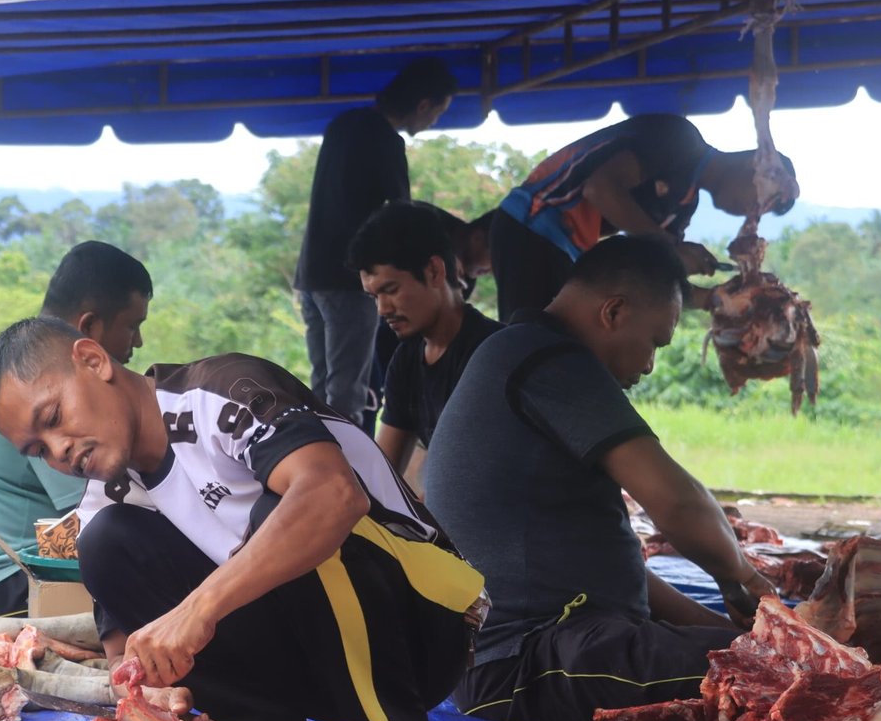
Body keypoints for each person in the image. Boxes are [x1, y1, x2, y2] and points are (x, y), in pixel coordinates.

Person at [0, 319, 486, 721]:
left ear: (93, 361)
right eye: (38, 449)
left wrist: (196, 612)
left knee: (294, 512)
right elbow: (123, 651)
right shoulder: (108, 495)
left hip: (425, 632)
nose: (58, 449)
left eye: (54, 418)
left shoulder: (222, 394)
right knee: (104, 542)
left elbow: (334, 496)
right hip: (324, 664)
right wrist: (152, 691)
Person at [424, 235, 776, 721]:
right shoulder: (550, 362)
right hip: (524, 664)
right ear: (613, 312)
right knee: (796, 673)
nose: (650, 365)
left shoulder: (520, 351)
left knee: (766, 656)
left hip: (537, 651)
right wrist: (740, 577)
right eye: (655, 342)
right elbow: (677, 502)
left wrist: (735, 630)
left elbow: (623, 580)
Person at [0, 241, 152, 616]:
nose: (137, 343)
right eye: (132, 326)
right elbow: (102, 515)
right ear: (89, 332)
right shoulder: (36, 392)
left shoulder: (17, 374)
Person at [490, 113, 799, 320]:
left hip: (565, 251)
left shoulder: (683, 206)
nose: (751, 213)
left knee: (554, 357)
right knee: (527, 352)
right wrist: (669, 246)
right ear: (752, 166)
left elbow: (657, 274)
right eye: (758, 201)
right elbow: (600, 189)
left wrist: (715, 298)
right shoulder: (681, 140)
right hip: (531, 226)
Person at [295, 57, 458, 431]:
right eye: (437, 112)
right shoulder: (385, 140)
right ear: (422, 105)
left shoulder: (342, 125)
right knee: (347, 393)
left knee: (321, 388)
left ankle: (318, 462)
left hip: (312, 275)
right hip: (350, 280)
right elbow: (402, 214)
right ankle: (349, 479)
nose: (433, 121)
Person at [346, 201, 502, 476]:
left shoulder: (495, 354)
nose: (382, 309)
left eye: (390, 289)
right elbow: (383, 476)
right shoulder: (406, 361)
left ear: (434, 271)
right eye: (374, 297)